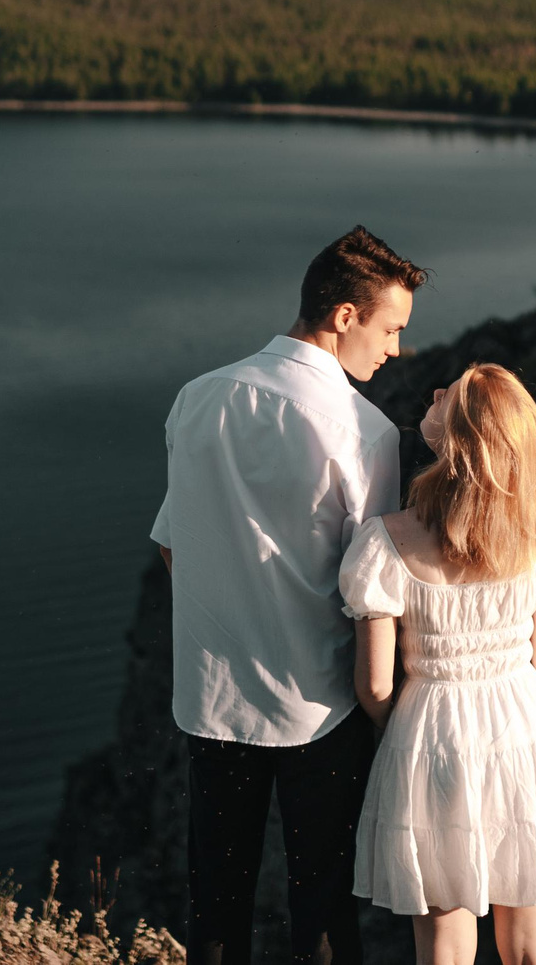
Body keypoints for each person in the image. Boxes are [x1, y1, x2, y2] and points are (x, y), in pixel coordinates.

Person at [151, 226, 428, 965]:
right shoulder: (364, 431)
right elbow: (373, 582)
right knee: (324, 903)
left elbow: (173, 543)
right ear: (344, 316)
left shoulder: (197, 399)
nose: (395, 348)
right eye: (390, 327)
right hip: (322, 703)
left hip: (214, 697)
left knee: (215, 901)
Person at [339, 363, 536, 965]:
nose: (435, 393)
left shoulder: (385, 542)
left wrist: (411, 733)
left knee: (445, 944)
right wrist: (533, 739)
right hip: (528, 727)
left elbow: (375, 684)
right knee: (532, 945)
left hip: (430, 731)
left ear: (459, 441)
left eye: (450, 397)